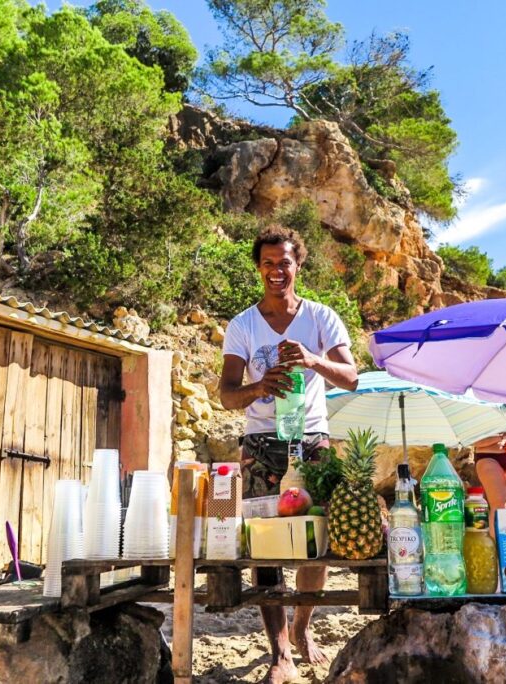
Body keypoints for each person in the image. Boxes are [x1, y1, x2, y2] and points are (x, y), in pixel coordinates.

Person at [219, 225, 358, 683]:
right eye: (268, 264)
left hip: (312, 441)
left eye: (284, 262)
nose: (276, 271)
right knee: (264, 548)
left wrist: (313, 360)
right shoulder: (243, 325)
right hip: (260, 444)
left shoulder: (321, 318)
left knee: (315, 542)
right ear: (258, 269)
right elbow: (226, 395)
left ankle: (302, 626)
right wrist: (260, 386)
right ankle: (280, 651)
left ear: (298, 265)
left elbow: (352, 377)